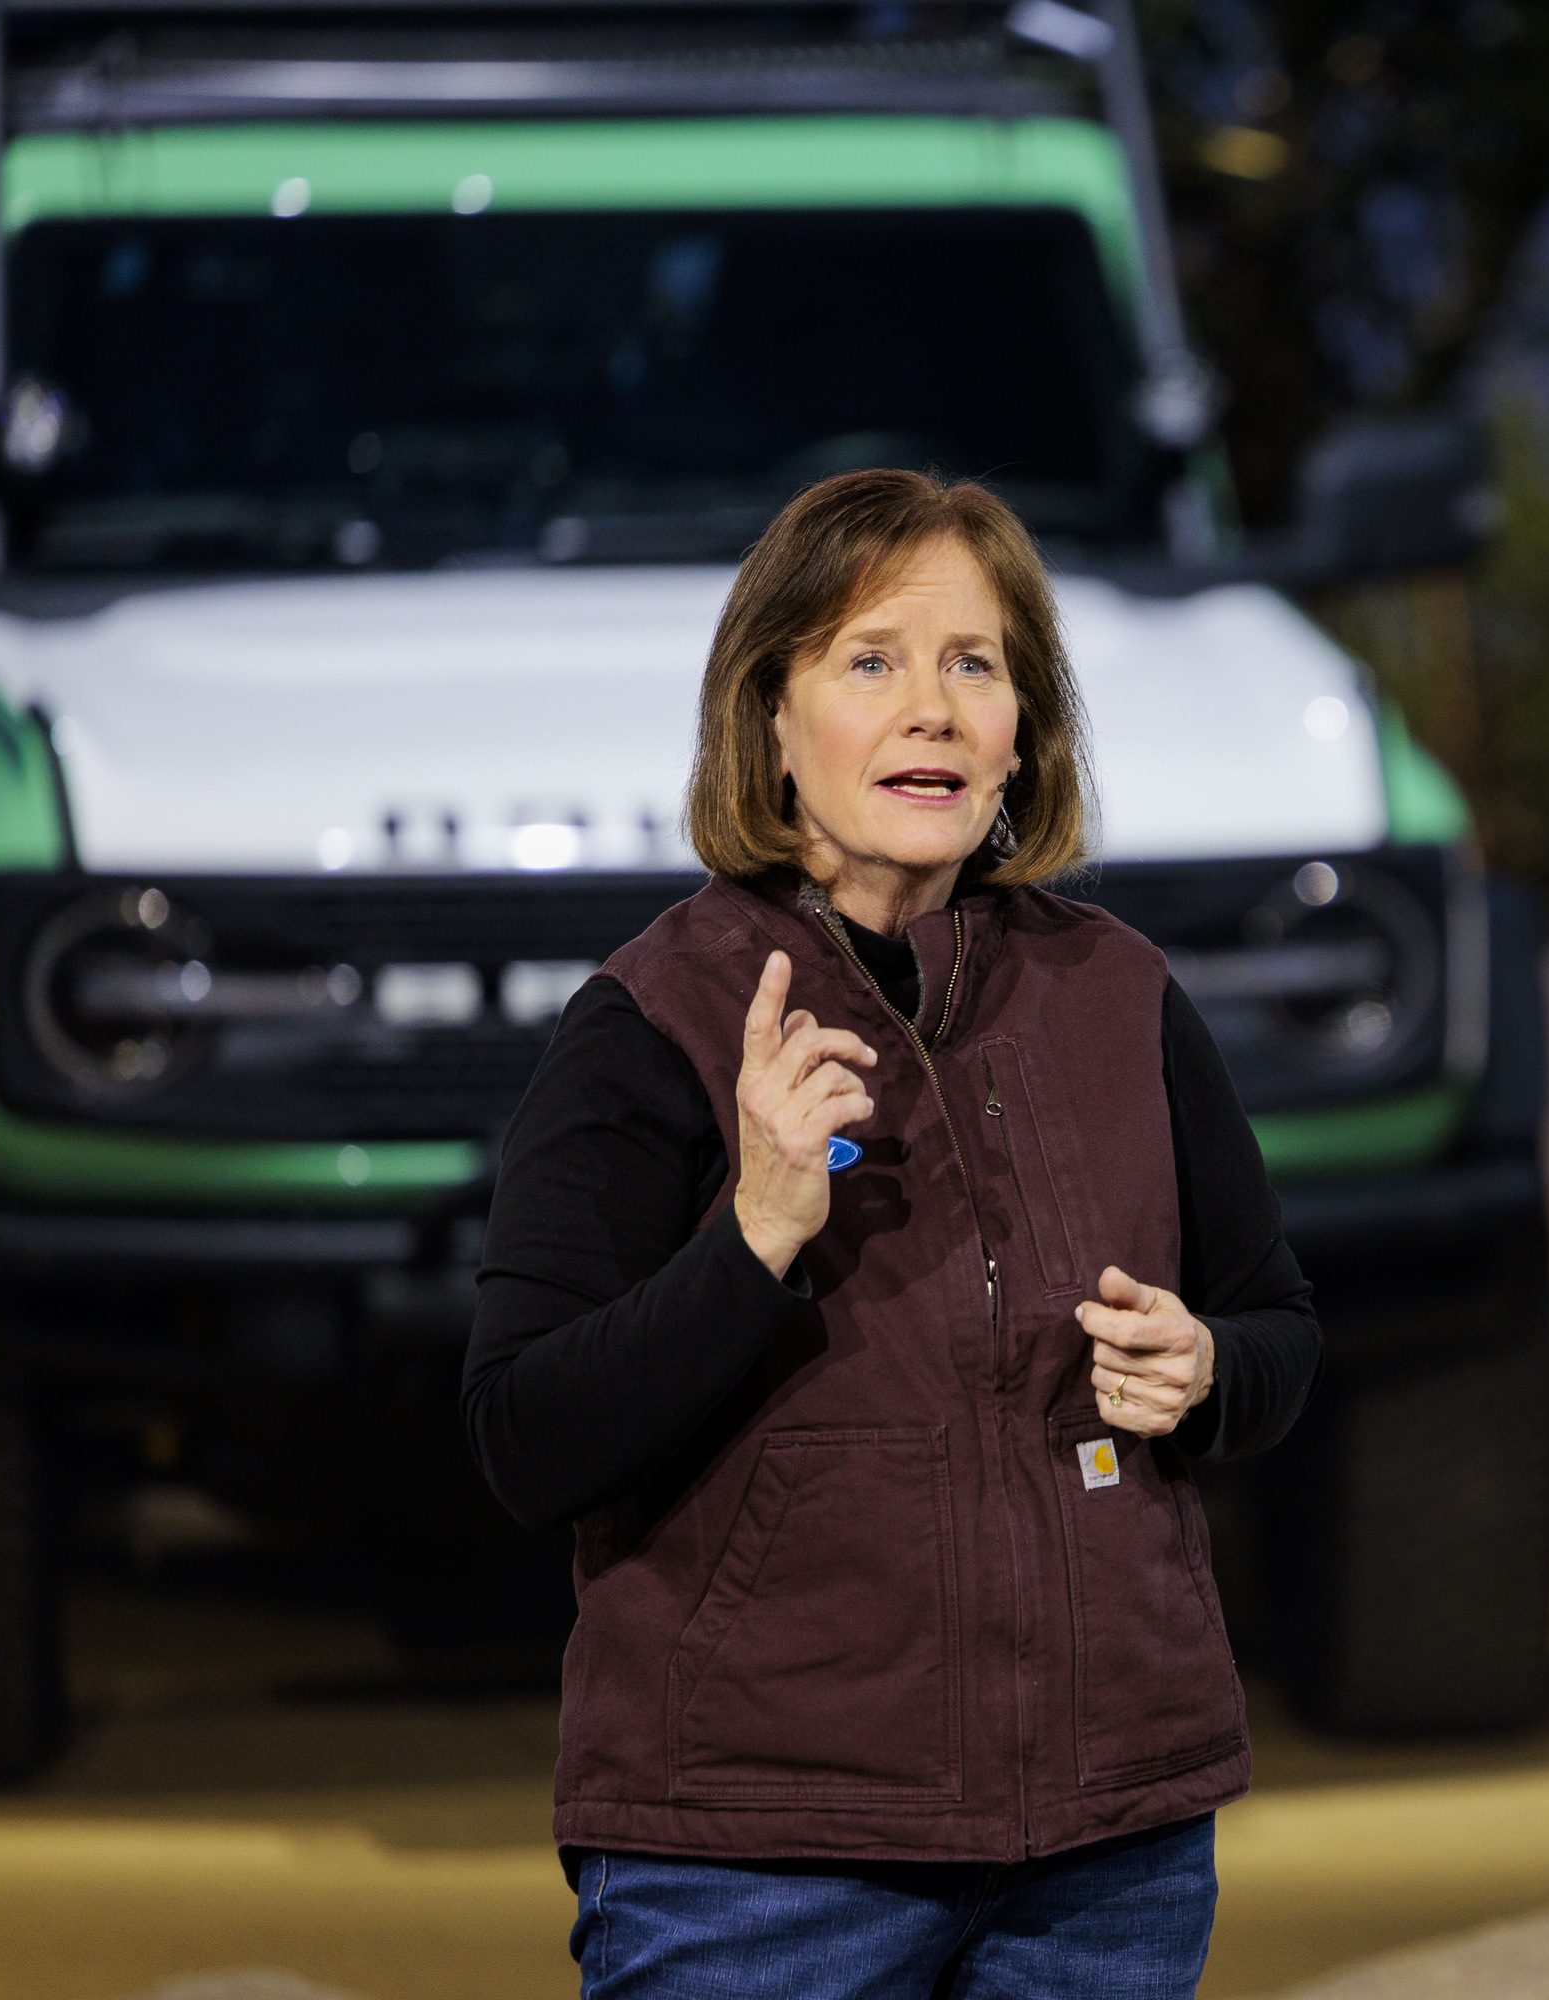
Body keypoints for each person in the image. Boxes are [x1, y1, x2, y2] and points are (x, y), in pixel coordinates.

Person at [462, 467, 1322, 1999]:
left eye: (973, 665)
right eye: (871, 661)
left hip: (1105, 1857)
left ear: (1022, 737)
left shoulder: (1121, 996)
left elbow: (1277, 1326)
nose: (930, 707)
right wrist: (754, 1237)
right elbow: (528, 1434)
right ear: (772, 725)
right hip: (756, 1863)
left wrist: (1206, 1370)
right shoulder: (650, 1021)